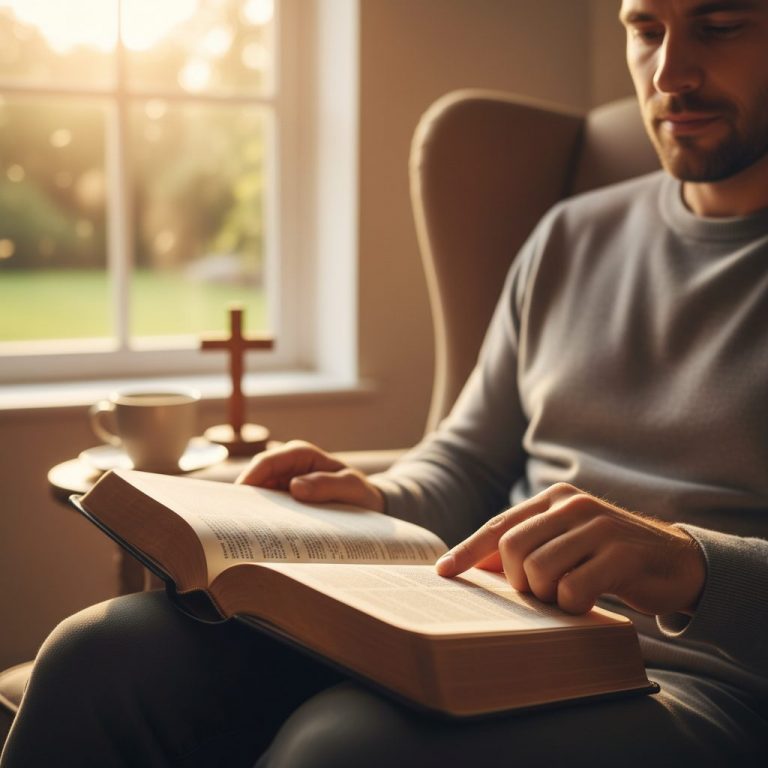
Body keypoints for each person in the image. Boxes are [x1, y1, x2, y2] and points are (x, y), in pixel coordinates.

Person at [2, 0, 767, 764]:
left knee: (341, 749)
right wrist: (374, 499)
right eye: (644, 30)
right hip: (489, 627)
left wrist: (688, 565)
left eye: (720, 26)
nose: (670, 72)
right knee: (100, 656)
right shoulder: (573, 235)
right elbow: (467, 461)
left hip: (709, 688)